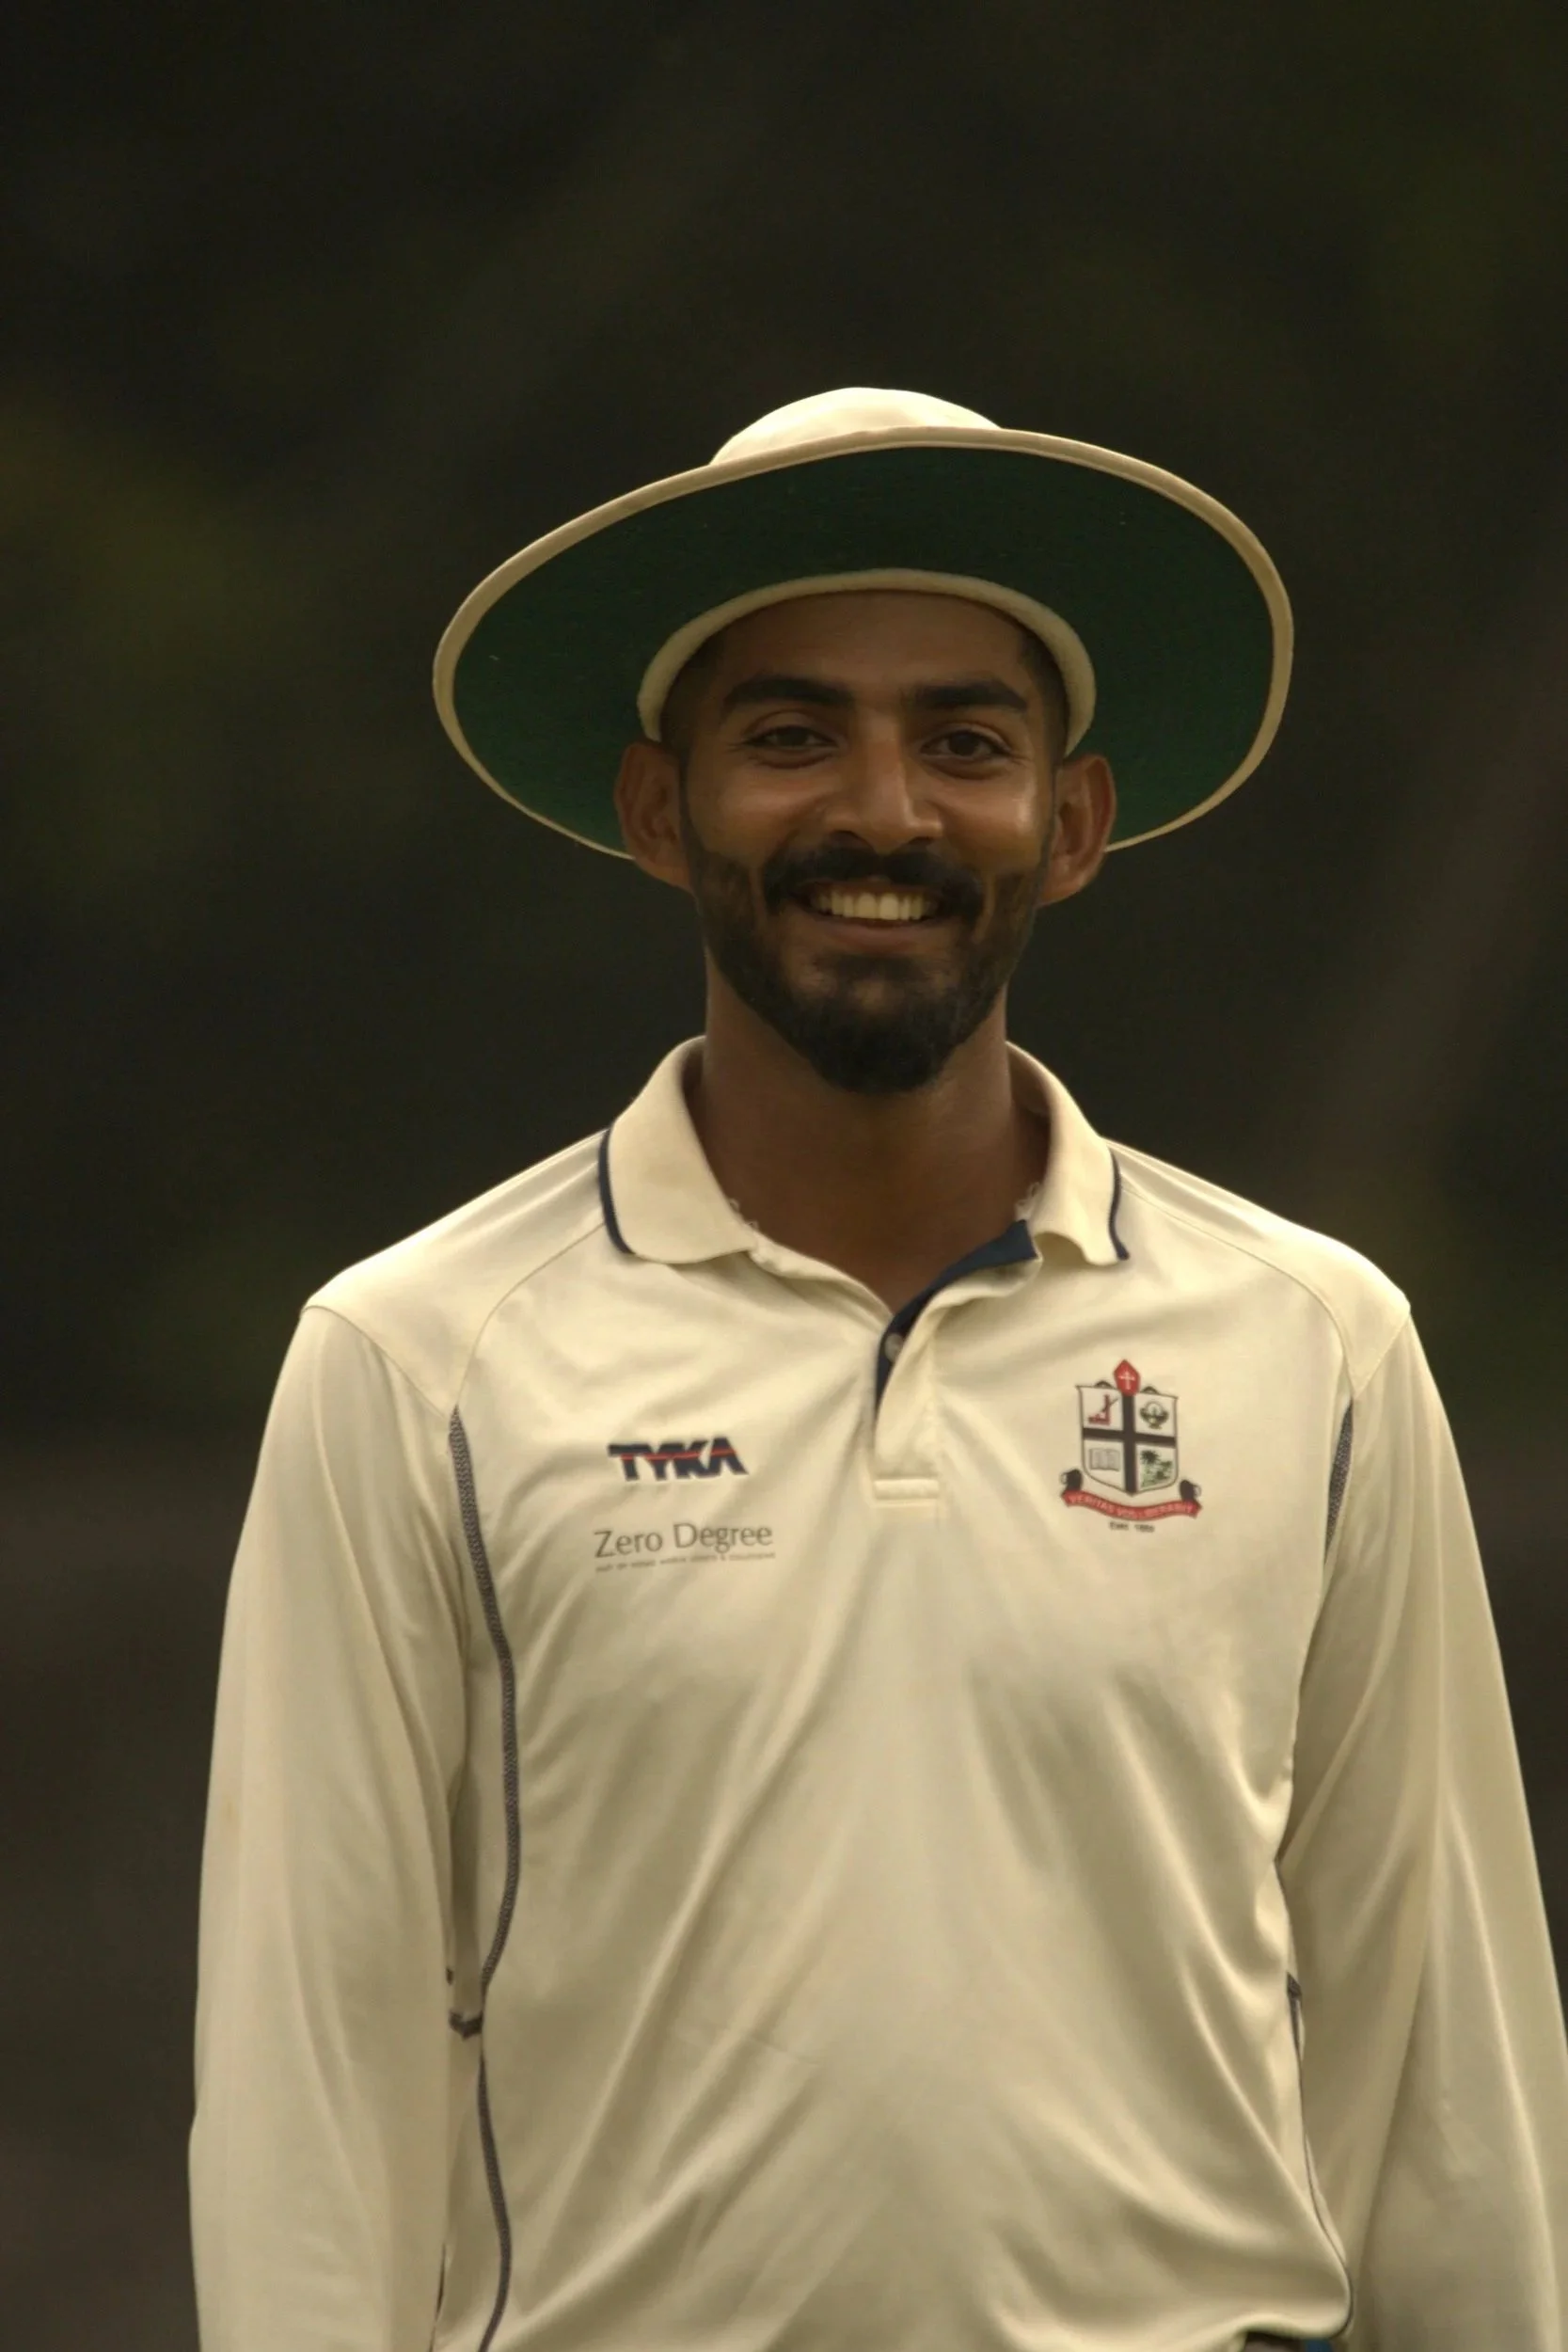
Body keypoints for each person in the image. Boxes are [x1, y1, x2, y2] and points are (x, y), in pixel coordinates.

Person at [189, 387, 1568, 2352]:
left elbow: (1439, 2054)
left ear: (1068, 822)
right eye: (787, 735)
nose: (882, 811)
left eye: (965, 743)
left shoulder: (1312, 1345)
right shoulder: (416, 1357)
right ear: (660, 808)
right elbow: (309, 2072)